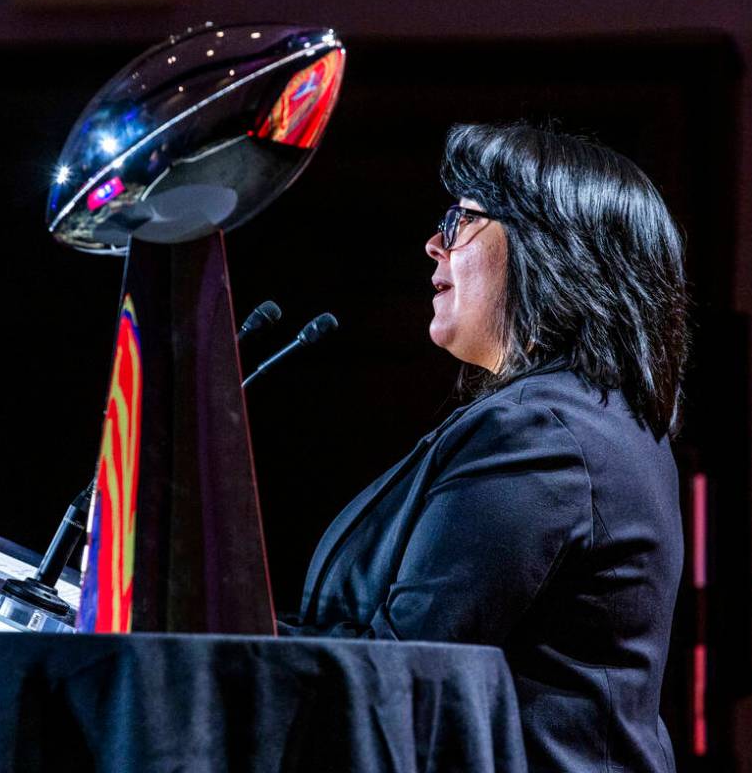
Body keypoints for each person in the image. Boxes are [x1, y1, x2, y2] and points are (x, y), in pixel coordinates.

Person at [279, 123, 689, 773]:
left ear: (549, 248)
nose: (435, 244)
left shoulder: (540, 432)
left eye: (464, 218)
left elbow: (402, 677)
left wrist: (189, 644)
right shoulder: (593, 417)